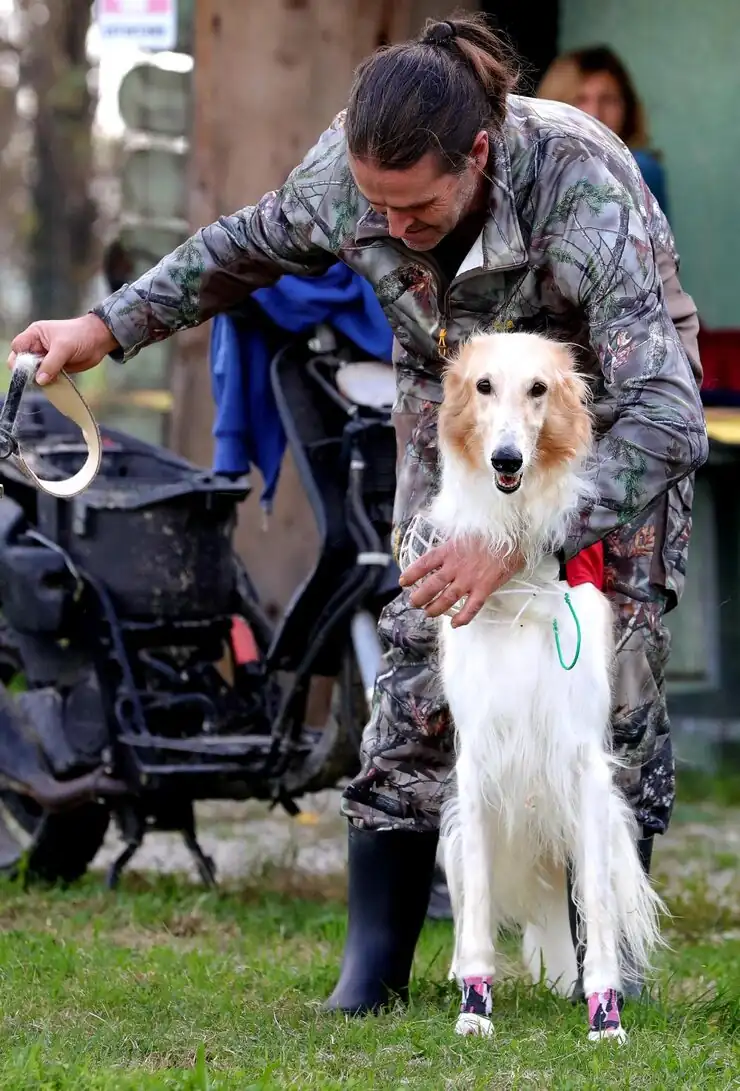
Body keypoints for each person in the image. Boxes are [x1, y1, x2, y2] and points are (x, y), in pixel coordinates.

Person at [10, 14, 706, 1015]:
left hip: (600, 415)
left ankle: (606, 959)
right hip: (454, 406)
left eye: (415, 208)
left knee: (611, 670)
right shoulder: (349, 173)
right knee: (420, 650)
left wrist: (519, 540)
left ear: (476, 154)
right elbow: (239, 248)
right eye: (375, 207)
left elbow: (668, 413)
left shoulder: (579, 184)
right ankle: (373, 968)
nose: (390, 225)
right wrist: (103, 325)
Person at [538, 45, 670, 216]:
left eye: (608, 100)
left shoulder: (641, 169)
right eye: (580, 100)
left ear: (627, 108)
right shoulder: (531, 168)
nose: (595, 114)